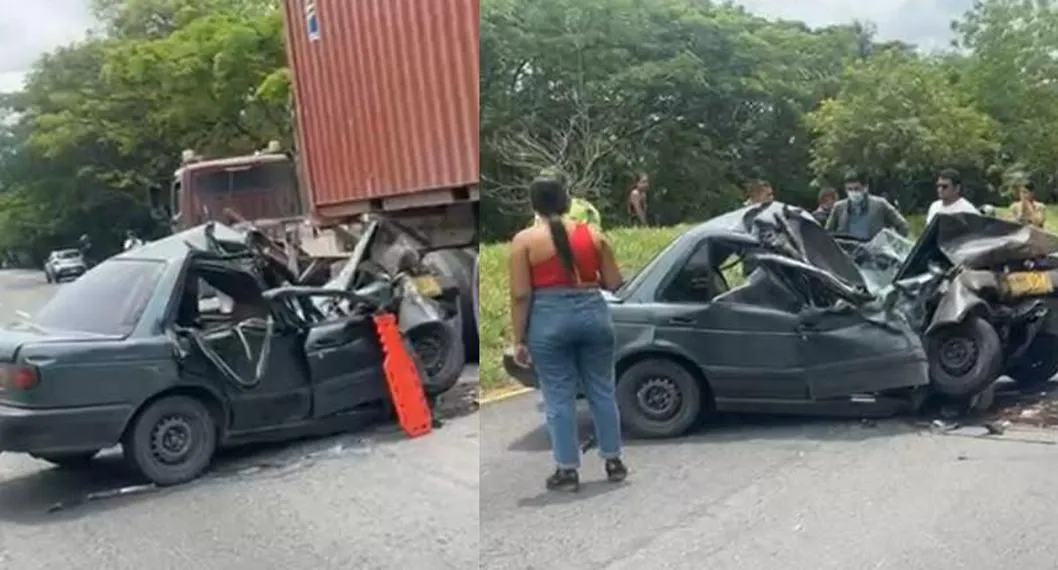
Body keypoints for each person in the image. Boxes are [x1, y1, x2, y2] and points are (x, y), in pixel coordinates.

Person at [509, 174, 627, 492]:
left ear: (533, 204)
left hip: (549, 320)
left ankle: (567, 469)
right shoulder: (594, 235)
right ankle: (613, 461)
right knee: (602, 390)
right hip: (593, 314)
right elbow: (615, 282)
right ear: (566, 202)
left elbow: (521, 295)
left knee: (558, 396)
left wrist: (519, 339)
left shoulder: (524, 241)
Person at [825, 171, 909, 239]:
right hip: (847, 253)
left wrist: (892, 244)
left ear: (865, 187)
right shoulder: (839, 207)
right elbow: (827, 233)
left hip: (873, 253)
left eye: (857, 188)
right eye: (849, 189)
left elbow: (902, 225)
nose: (853, 192)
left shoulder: (880, 204)